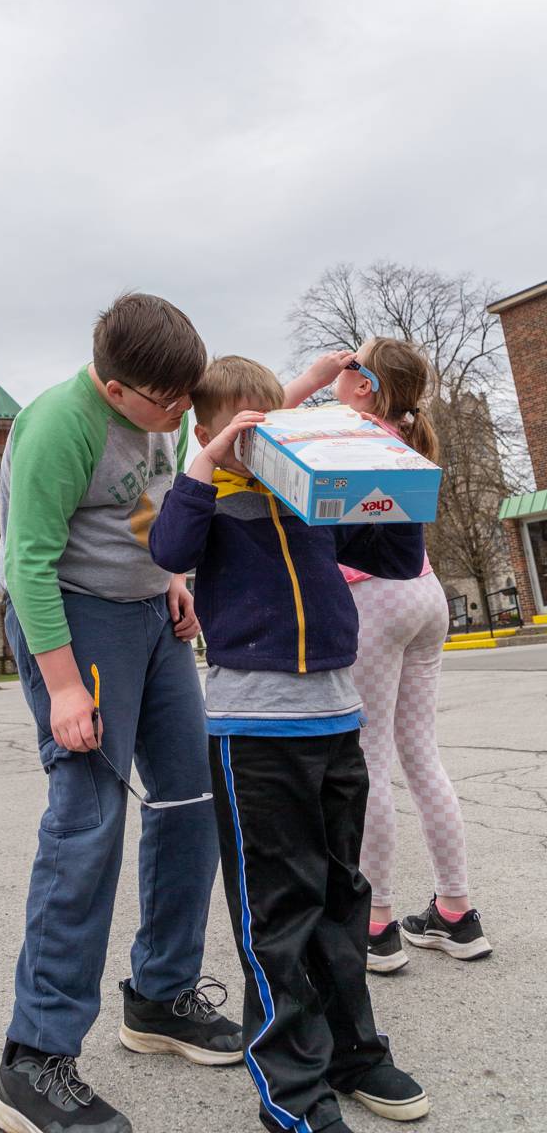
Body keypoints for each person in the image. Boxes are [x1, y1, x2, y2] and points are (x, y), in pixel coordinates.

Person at [149, 355, 430, 1133]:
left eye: (266, 426)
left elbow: (398, 558)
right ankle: (293, 1092)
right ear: (204, 435)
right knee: (278, 915)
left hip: (338, 718)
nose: (256, 442)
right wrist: (207, 462)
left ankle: (355, 1053)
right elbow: (168, 549)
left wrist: (385, 471)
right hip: (254, 731)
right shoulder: (207, 502)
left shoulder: (309, 494)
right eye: (239, 430)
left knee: (344, 898)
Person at [0, 294, 241, 1133]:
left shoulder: (162, 406)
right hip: (72, 612)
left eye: (182, 399)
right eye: (164, 402)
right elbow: (27, 565)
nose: (176, 416)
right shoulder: (60, 425)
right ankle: (34, 1060)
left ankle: (161, 997)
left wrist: (171, 577)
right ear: (113, 383)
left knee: (189, 796)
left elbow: (149, 506)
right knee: (88, 819)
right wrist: (63, 687)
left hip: (151, 614)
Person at [286, 339, 492, 973]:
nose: (339, 372)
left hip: (373, 598)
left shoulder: (344, 429)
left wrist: (310, 379)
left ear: (365, 384)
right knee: (421, 753)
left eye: (351, 365)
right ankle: (455, 913)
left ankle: (375, 925)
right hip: (424, 597)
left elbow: (260, 421)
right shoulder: (400, 434)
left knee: (368, 760)